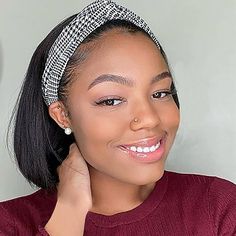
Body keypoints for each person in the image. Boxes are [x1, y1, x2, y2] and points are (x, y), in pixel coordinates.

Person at [0, 0, 235, 235]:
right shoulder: (10, 224)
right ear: (62, 115)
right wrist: (69, 214)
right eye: (111, 100)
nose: (150, 118)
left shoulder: (220, 208)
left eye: (160, 93)